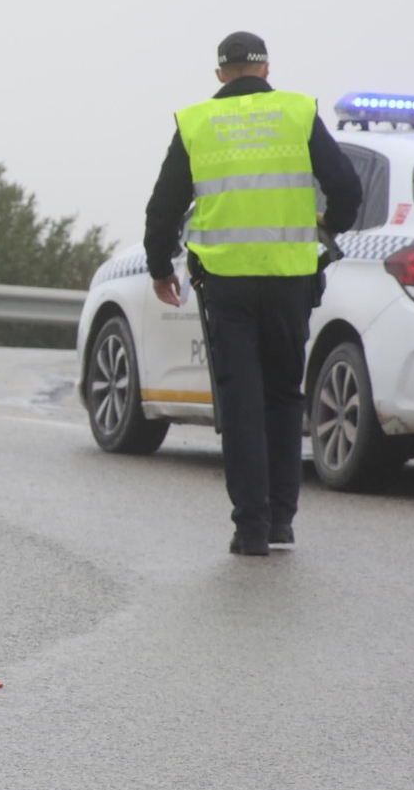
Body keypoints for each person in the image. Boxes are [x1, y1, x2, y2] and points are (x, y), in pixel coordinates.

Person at [143, 31, 360, 556]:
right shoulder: (297, 112)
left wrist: (159, 267)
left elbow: (163, 206)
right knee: (284, 395)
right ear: (266, 69)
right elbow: (348, 187)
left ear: (221, 74)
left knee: (241, 401)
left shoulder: (196, 122)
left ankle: (252, 528)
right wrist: (330, 225)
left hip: (226, 285)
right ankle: (282, 519)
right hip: (290, 281)